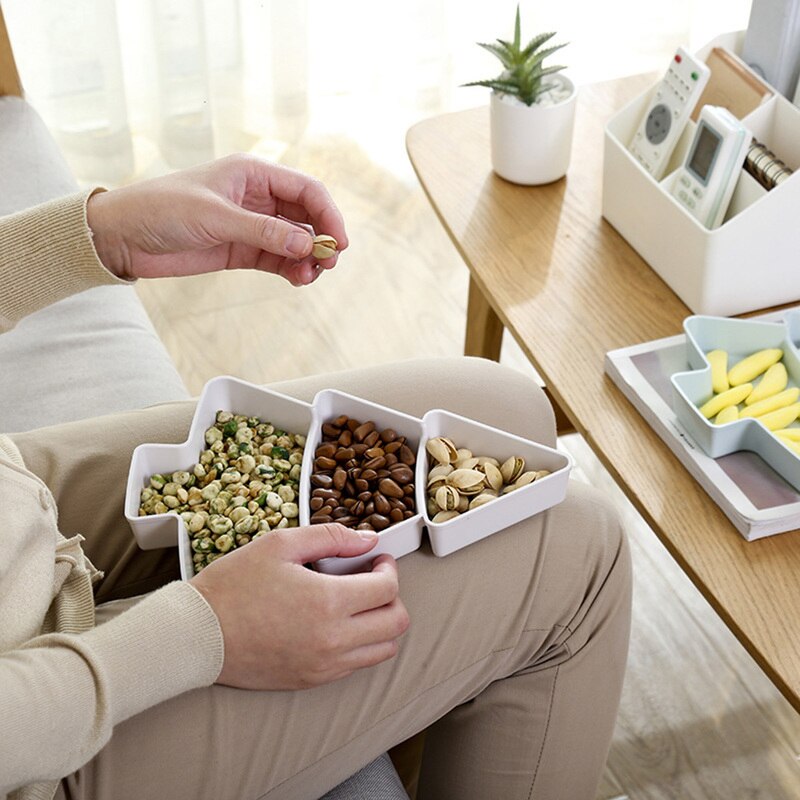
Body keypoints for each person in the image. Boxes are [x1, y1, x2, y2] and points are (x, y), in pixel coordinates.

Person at [0, 154, 632, 800]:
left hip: (15, 495)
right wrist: (204, 631)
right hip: (36, 750)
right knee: (586, 553)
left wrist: (99, 234)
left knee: (508, 407)